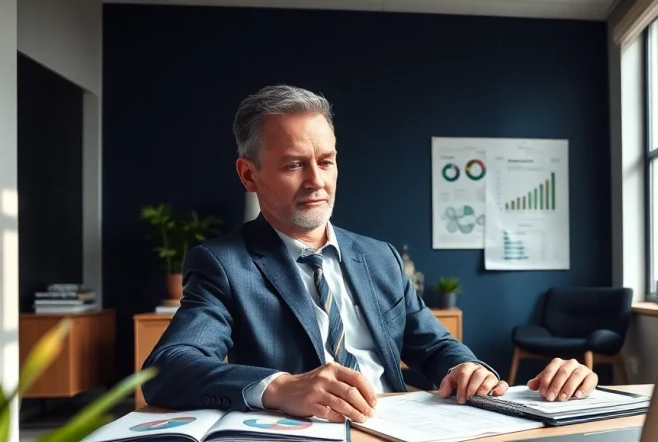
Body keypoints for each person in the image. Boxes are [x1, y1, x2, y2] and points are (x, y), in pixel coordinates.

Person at [141, 85, 598, 423]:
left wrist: (467, 369)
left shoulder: (379, 256)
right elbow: (167, 369)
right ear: (248, 174)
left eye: (326, 160)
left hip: (404, 428)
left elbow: (434, 345)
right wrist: (281, 387)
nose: (317, 181)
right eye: (294, 164)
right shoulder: (223, 264)